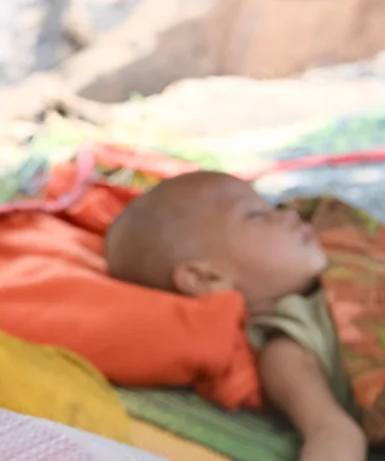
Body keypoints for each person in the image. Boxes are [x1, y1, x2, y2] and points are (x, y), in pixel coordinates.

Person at [105, 171, 365, 461]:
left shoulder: (353, 261)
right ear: (206, 277)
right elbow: (334, 432)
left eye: (272, 207)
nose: (289, 213)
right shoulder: (288, 352)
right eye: (257, 215)